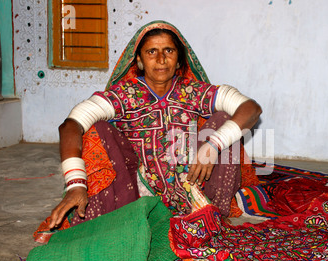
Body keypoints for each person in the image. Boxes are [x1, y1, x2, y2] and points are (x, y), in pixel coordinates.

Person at [45, 20, 262, 233]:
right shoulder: (124, 95)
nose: (161, 59)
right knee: (98, 130)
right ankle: (117, 218)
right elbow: (71, 125)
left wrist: (214, 144)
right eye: (151, 52)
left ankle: (212, 215)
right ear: (139, 60)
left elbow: (251, 109)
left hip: (195, 190)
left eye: (168, 50)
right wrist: (76, 184)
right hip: (138, 196)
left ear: (179, 60)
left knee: (224, 120)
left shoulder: (195, 92)